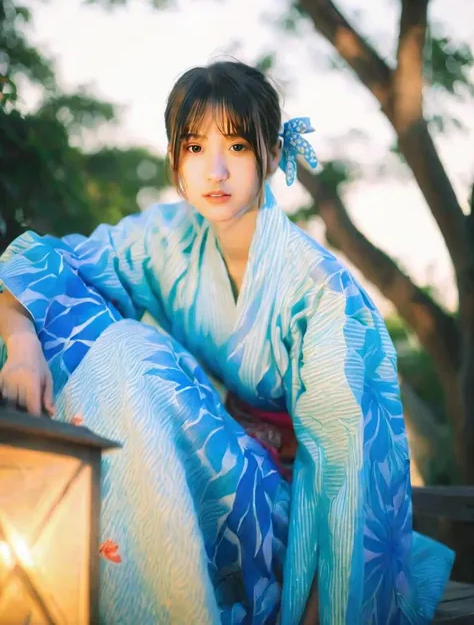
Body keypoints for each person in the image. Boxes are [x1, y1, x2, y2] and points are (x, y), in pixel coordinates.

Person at [0, 61, 453, 624]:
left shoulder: (322, 294)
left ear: (269, 153)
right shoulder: (167, 238)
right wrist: (21, 346)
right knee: (103, 340)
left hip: (291, 518)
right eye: (194, 147)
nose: (214, 169)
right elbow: (51, 263)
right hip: (218, 475)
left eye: (237, 145)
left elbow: (348, 469)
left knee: (134, 353)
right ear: (175, 162)